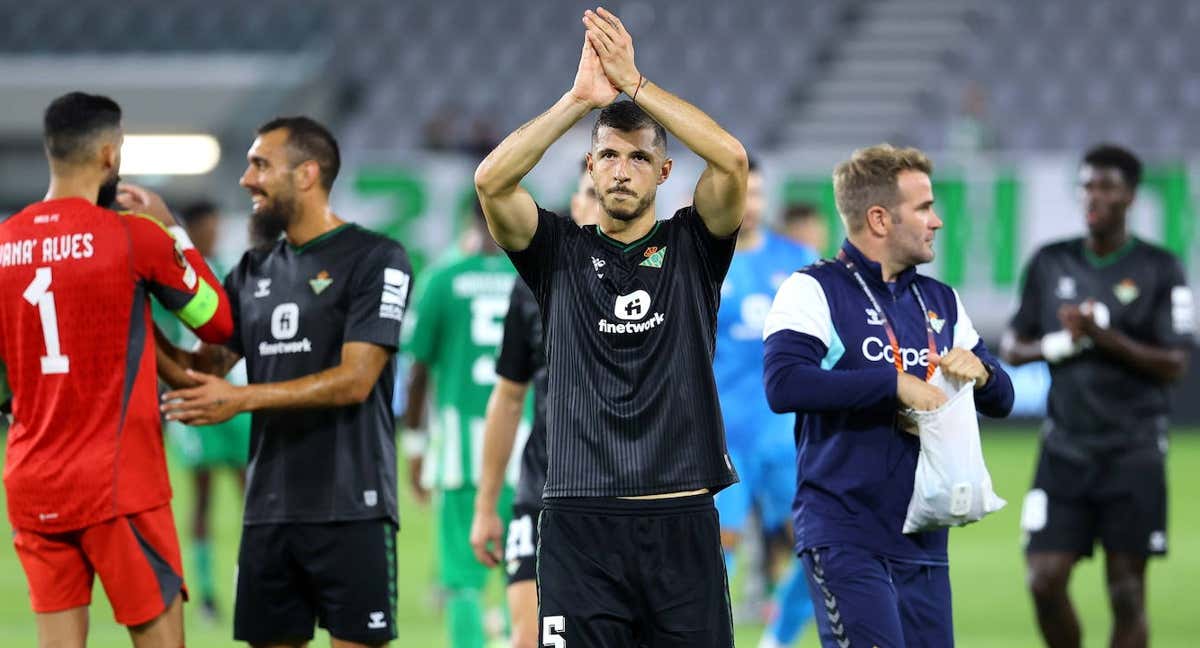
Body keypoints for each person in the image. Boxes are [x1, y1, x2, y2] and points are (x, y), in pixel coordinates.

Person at [473, 8, 749, 646]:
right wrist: (578, 100)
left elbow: (731, 160)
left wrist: (636, 83)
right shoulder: (556, 253)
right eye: (608, 157)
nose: (622, 170)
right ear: (590, 170)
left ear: (663, 172)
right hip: (578, 523)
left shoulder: (695, 248)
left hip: (680, 518)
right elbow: (491, 179)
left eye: (638, 157)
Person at [157, 116, 413, 648]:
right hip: (268, 512)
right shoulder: (251, 271)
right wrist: (136, 311)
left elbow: (356, 380)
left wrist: (242, 398)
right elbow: (201, 375)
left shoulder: (376, 258)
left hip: (353, 507)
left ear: (307, 174)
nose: (247, 180)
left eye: (260, 165)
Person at [0, 91, 233, 648]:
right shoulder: (135, 237)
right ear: (109, 155)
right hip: (118, 483)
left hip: (33, 479)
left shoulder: (4, 245)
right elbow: (218, 322)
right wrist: (171, 227)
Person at [762, 144, 1014, 647]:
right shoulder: (813, 290)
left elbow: (1002, 399)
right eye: (923, 207)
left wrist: (983, 372)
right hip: (844, 534)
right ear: (879, 218)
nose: (937, 221)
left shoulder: (939, 300)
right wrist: (892, 384)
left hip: (924, 536)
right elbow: (784, 383)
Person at [1000, 145, 1194, 648]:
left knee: (1127, 593)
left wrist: (1105, 338)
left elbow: (1176, 363)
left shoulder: (1161, 269)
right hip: (1064, 449)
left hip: (1133, 452)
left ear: (1129, 195)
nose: (1093, 196)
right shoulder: (1050, 262)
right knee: (1043, 579)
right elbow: (1012, 346)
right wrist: (1063, 342)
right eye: (1087, 185)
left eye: (1105, 186)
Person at [468, 160, 600, 648]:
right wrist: (486, 505)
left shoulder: (656, 282)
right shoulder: (532, 288)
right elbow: (507, 399)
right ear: (576, 204)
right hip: (543, 489)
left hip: (621, 499)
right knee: (529, 640)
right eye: (590, 190)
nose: (601, 199)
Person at [400, 201, 520, 648]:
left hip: (459, 452)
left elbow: (417, 373)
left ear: (469, 219)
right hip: (523, 446)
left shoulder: (443, 279)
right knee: (523, 564)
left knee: (461, 577)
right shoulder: (528, 278)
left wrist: (414, 445)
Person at [710, 158, 817, 647]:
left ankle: (778, 638)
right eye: (739, 193)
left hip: (786, 437)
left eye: (755, 194)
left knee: (812, 547)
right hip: (721, 437)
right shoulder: (700, 259)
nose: (748, 205)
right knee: (716, 551)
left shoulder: (798, 261)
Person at [154, 200, 252, 623]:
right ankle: (207, 593)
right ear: (192, 230)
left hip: (235, 394)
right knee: (204, 497)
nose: (213, 233)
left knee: (251, 495)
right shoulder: (172, 272)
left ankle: (248, 581)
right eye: (207, 227)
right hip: (191, 394)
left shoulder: (229, 268)